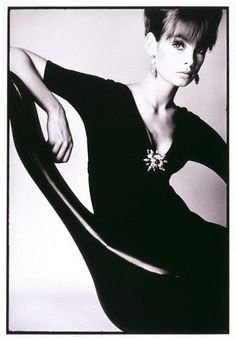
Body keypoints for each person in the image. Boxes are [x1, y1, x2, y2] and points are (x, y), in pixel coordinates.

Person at [10, 8, 228, 333]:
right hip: (139, 269)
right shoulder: (106, 99)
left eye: (200, 49)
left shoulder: (189, 128)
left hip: (188, 245)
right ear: (153, 45)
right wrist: (53, 108)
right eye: (179, 44)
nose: (191, 60)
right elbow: (11, 55)